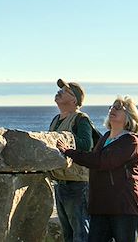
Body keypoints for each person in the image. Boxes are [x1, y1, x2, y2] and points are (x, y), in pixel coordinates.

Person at [56, 95, 138, 242]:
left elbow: (101, 162)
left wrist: (69, 152)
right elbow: (95, 159)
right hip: (101, 206)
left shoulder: (131, 141)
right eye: (112, 107)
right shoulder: (105, 137)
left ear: (130, 116)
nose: (113, 109)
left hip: (124, 207)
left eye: (118, 108)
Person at [49, 79, 98, 242]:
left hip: (78, 183)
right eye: (60, 90)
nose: (59, 92)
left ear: (74, 100)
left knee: (81, 232)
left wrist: (66, 140)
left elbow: (86, 144)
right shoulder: (56, 119)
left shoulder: (81, 119)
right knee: (67, 233)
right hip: (60, 182)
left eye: (65, 91)